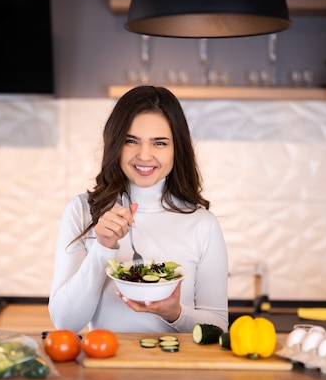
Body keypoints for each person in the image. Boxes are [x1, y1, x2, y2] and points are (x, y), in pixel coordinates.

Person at [48, 86, 229, 333]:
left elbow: (218, 326)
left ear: (177, 149)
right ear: (115, 144)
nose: (145, 155)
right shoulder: (82, 211)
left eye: (160, 143)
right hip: (105, 366)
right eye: (131, 141)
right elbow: (65, 323)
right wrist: (103, 248)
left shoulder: (202, 223)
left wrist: (174, 313)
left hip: (178, 369)